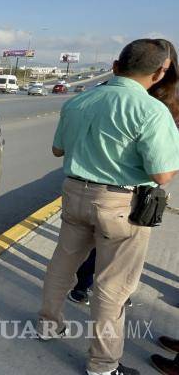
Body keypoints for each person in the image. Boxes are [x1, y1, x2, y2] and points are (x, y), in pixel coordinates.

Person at [38, 39, 179, 375]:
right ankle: (103, 365)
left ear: (116, 65)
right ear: (160, 72)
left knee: (62, 265)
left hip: (74, 194)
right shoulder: (151, 110)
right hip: (120, 204)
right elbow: (162, 174)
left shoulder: (79, 100)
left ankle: (48, 325)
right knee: (112, 286)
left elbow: (58, 150)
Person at [68, 39, 179, 309]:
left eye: (165, 67)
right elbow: (163, 173)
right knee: (106, 252)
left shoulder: (163, 103)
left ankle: (94, 295)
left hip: (132, 191)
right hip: (124, 190)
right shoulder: (149, 106)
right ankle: (93, 297)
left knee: (107, 253)